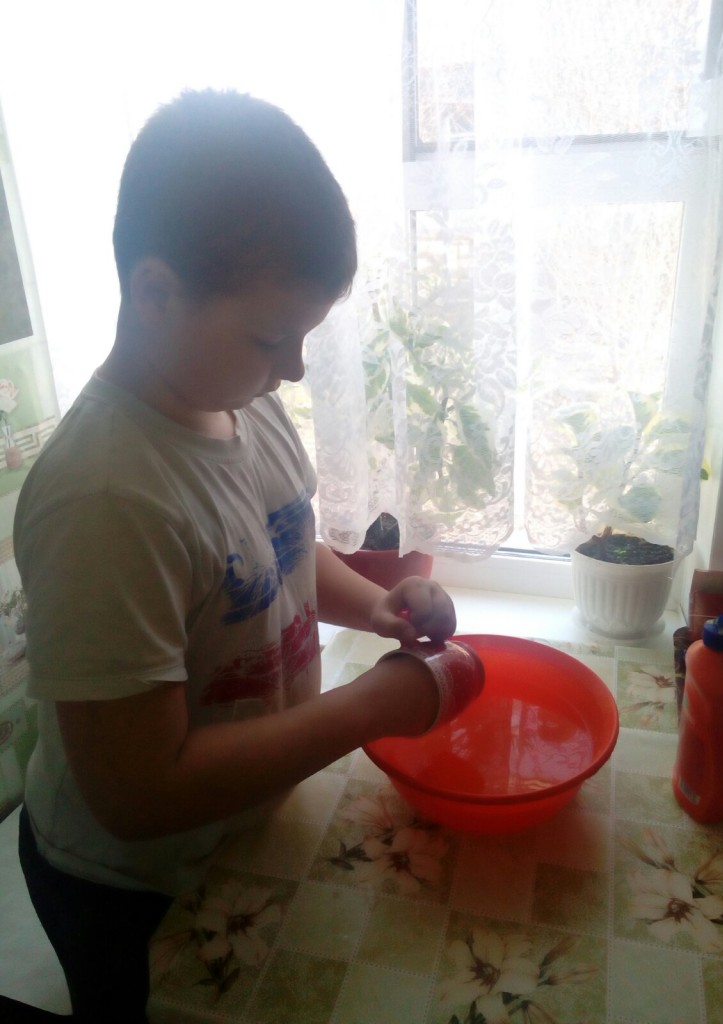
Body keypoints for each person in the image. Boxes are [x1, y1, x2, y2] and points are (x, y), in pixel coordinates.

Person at [13, 89, 468, 1023]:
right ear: (155, 294)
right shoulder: (106, 499)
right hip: (128, 882)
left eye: (304, 337)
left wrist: (375, 605)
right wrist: (370, 707)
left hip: (237, 821)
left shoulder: (240, 398)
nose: (294, 368)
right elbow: (138, 793)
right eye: (272, 337)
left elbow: (281, 548)